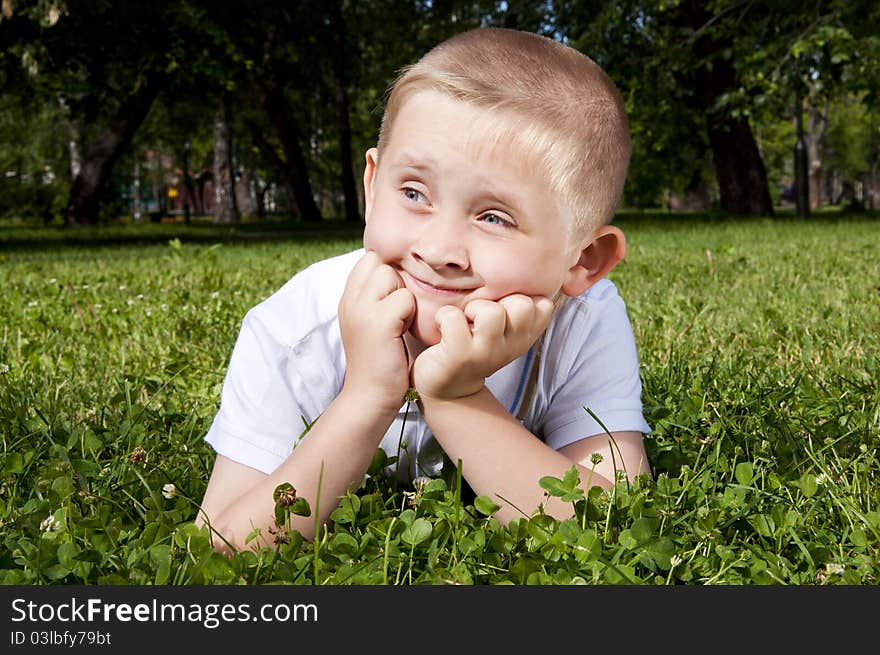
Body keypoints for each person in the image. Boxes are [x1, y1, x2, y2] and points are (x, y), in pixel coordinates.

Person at [195, 27, 651, 553]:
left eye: (495, 218)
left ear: (583, 260)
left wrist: (457, 398)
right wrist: (367, 394)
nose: (438, 249)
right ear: (372, 185)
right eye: (413, 192)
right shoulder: (296, 327)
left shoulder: (584, 321)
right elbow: (221, 547)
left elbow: (612, 525)